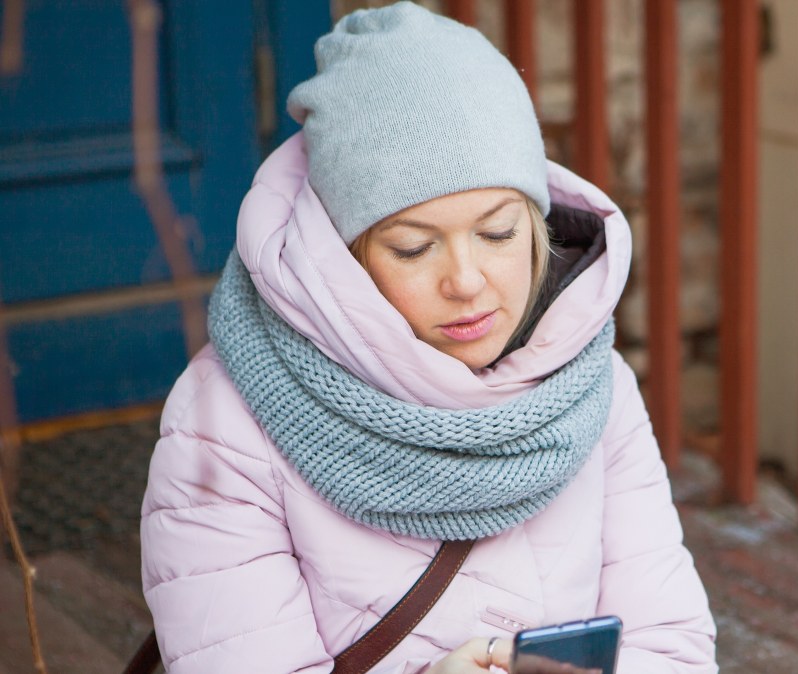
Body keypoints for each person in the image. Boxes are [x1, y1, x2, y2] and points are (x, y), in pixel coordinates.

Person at [138, 3, 718, 672]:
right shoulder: (227, 421)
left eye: (498, 233)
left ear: (536, 223)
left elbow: (670, 642)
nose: (467, 281)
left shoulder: (593, 383)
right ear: (342, 253)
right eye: (414, 249)